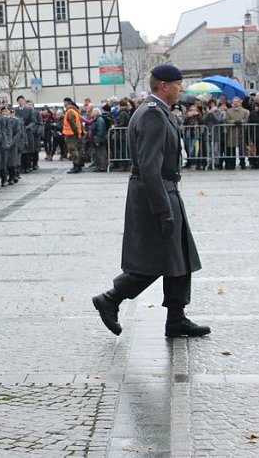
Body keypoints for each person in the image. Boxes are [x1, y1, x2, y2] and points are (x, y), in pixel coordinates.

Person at [92, 65, 209, 338]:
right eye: (178, 84)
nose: (181, 89)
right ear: (164, 85)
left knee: (179, 256)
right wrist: (161, 209)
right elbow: (149, 166)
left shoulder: (156, 111)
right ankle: (110, 298)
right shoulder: (153, 115)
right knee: (154, 259)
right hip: (153, 194)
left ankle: (177, 317)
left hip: (165, 190)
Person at [223, 96, 249, 170]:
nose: (235, 103)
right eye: (234, 102)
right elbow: (226, 120)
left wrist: (241, 122)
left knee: (242, 149)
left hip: (241, 132)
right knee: (231, 148)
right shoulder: (229, 111)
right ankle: (231, 164)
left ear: (240, 102)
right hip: (231, 132)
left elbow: (246, 119)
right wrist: (234, 122)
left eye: (237, 102)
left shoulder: (244, 111)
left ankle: (242, 163)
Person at [62, 98, 84, 173]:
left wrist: (77, 133)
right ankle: (79, 165)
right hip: (75, 134)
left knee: (73, 150)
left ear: (68, 103)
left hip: (71, 134)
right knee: (78, 150)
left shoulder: (70, 112)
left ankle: (76, 166)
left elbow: (73, 124)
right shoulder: (75, 111)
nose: (64, 104)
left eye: (64, 103)